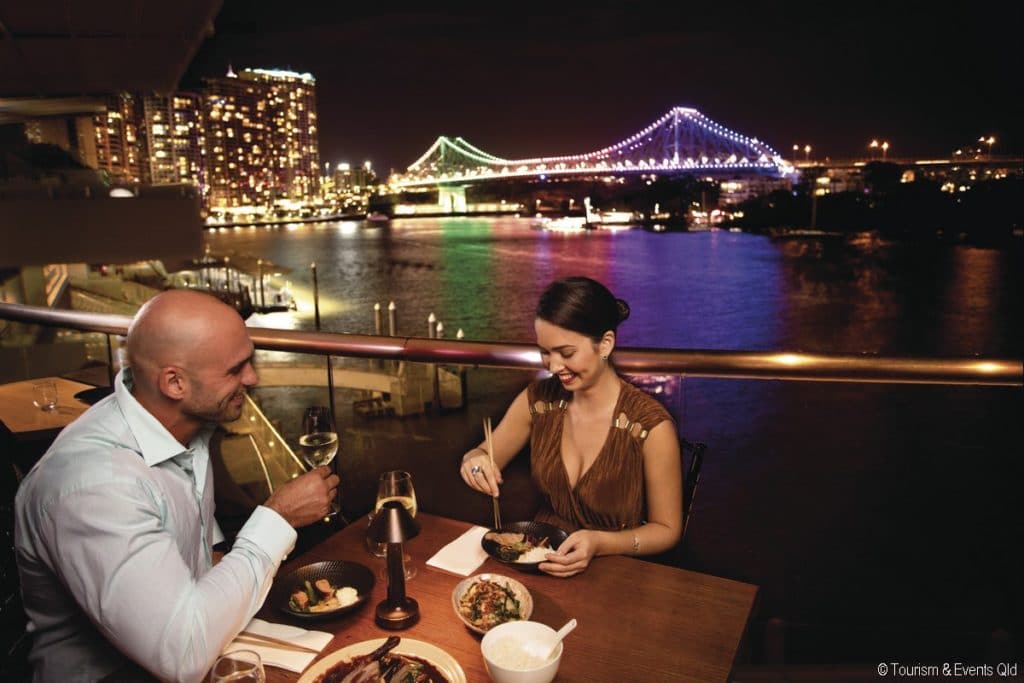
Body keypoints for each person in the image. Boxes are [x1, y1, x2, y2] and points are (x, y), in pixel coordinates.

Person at [14, 290, 339, 683]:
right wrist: (277, 518)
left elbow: (199, 556)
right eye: (235, 370)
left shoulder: (183, 428)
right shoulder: (95, 488)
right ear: (174, 383)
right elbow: (182, 655)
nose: (253, 379)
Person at [460, 276, 683, 577]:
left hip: (617, 571)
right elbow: (483, 455)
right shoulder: (539, 401)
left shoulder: (650, 426)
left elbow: (667, 531)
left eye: (566, 354)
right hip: (540, 561)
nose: (552, 367)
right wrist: (473, 463)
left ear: (605, 344)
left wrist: (600, 543)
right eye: (544, 352)